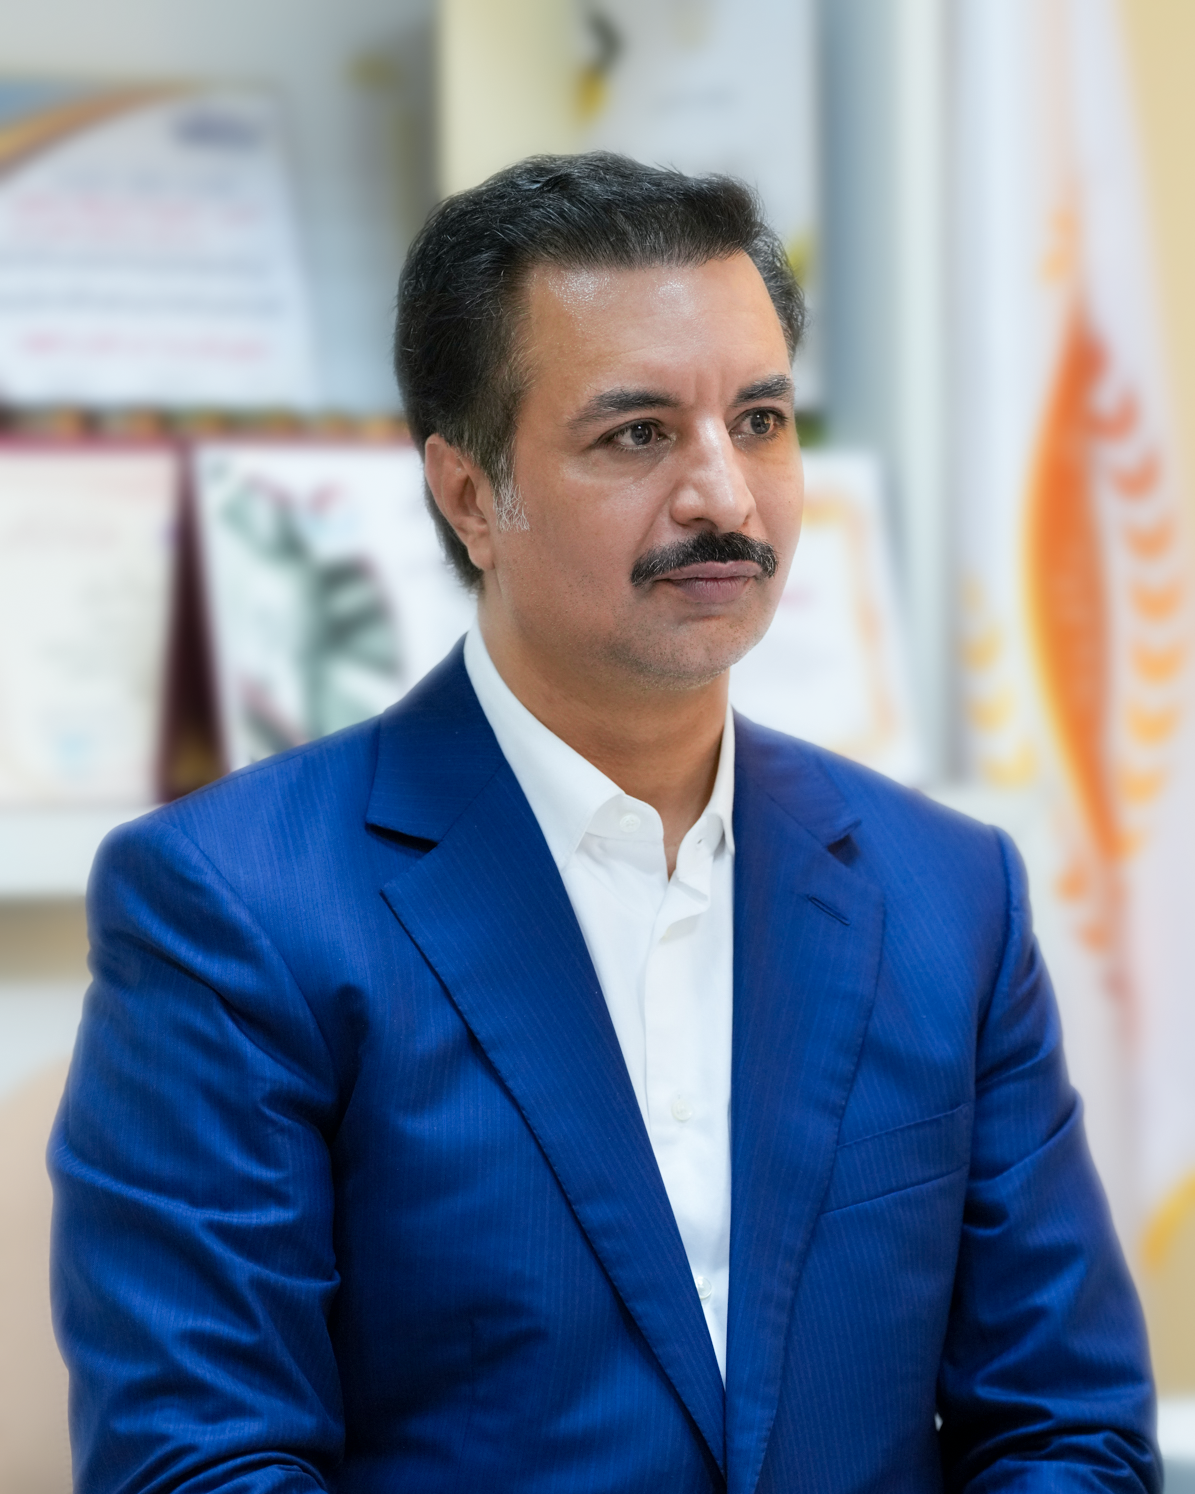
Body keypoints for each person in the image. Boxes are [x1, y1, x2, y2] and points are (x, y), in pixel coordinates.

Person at [50, 154, 1159, 1493]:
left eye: (759, 420)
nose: (724, 499)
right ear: (470, 495)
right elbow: (201, 1464)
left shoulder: (951, 895)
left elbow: (1066, 1426)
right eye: (637, 434)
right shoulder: (235, 904)